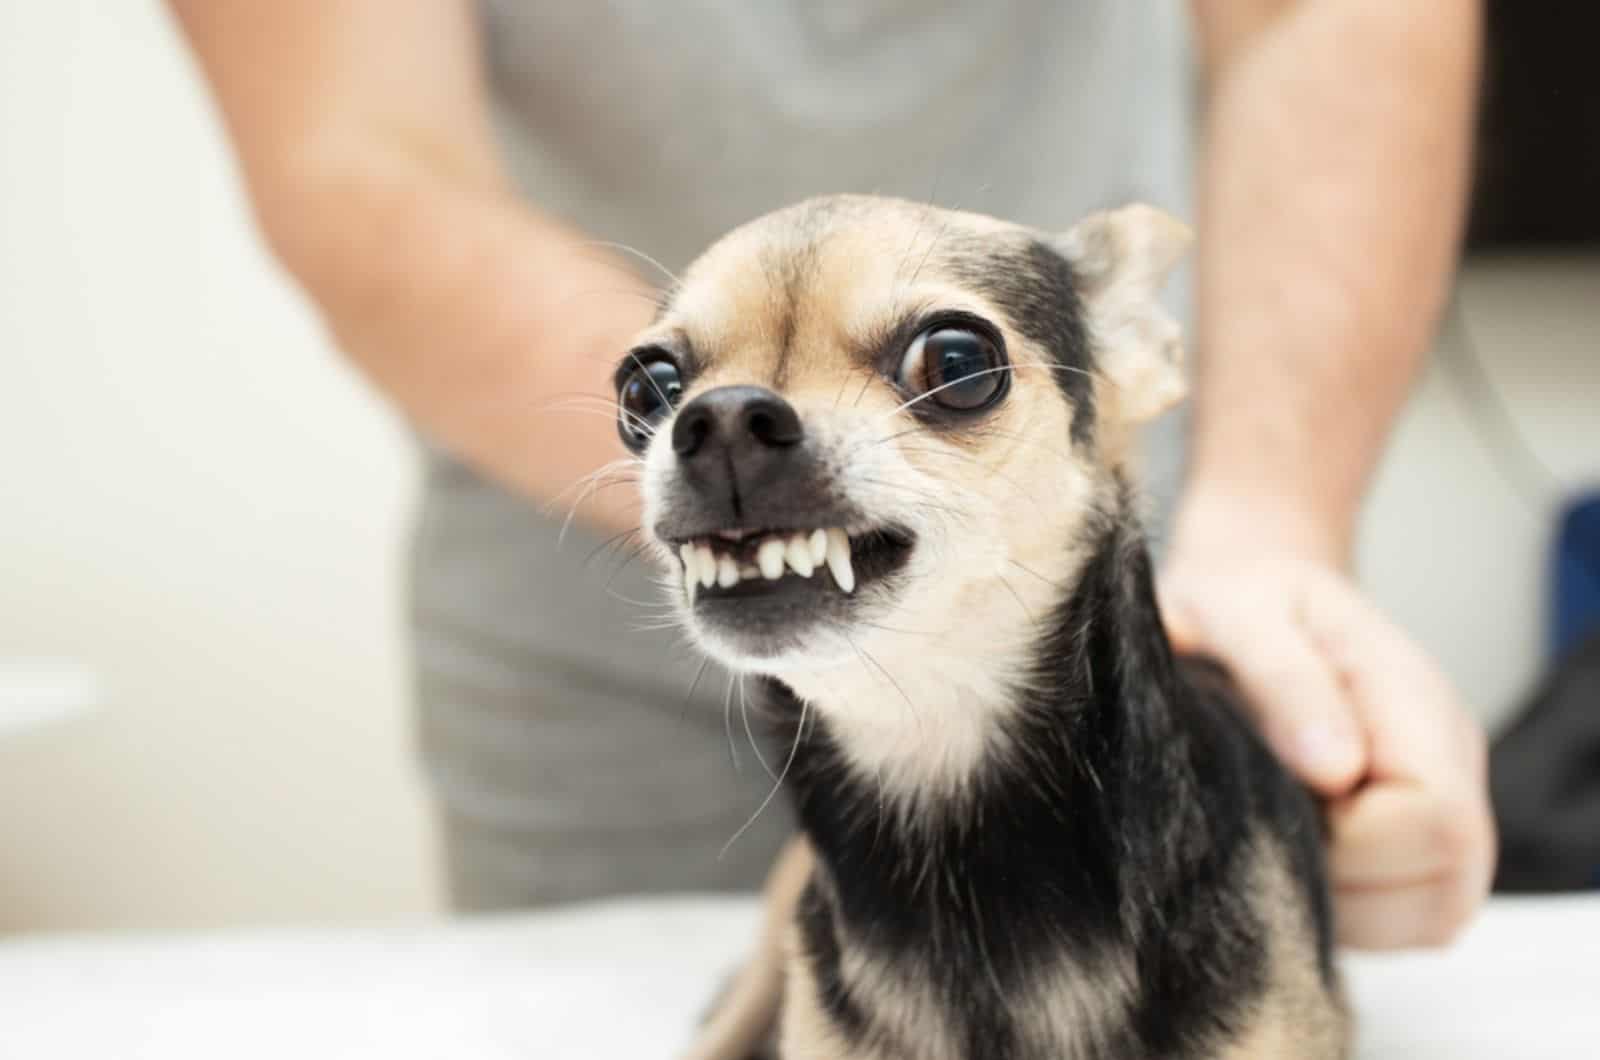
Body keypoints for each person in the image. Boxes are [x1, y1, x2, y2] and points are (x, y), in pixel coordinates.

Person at [169, 0, 1492, 948]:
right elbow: (357, 161)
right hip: (585, 652)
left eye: (948, 368)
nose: (730, 429)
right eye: (664, 398)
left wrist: (1272, 527)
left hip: (1145, 610)